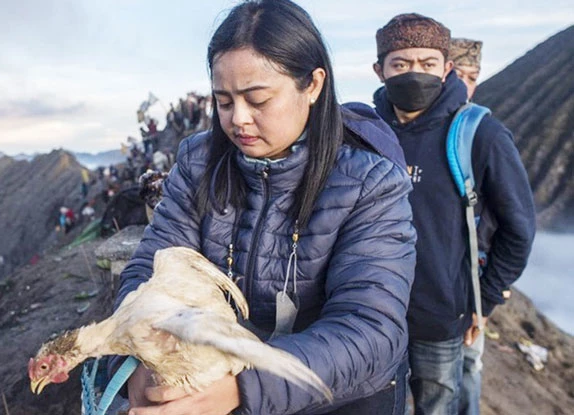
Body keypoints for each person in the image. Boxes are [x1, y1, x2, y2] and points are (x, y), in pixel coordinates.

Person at [109, 1, 417, 414]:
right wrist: (143, 355)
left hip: (340, 398)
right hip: (216, 379)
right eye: (223, 101)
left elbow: (369, 329)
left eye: (257, 100)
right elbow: (152, 268)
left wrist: (242, 389)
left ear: (312, 85)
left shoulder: (370, 184)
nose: (238, 120)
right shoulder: (199, 165)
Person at [371, 14, 536, 415]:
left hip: (441, 318)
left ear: (446, 68)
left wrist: (487, 299)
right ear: (379, 70)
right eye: (400, 64)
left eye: (427, 64)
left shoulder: (481, 134)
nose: (414, 74)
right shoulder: (366, 131)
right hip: (370, 315)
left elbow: (519, 228)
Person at [450, 36, 488, 415]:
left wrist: (487, 298)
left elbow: (513, 223)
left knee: (469, 364)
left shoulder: (480, 131)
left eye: (472, 76)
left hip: (471, 279)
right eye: (456, 74)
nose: (463, 84)